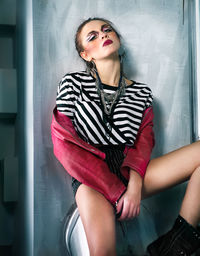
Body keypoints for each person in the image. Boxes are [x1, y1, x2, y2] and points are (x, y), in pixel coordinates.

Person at [51, 17, 200, 256]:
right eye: (93, 36)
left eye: (106, 30)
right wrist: (116, 191)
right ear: (85, 55)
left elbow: (143, 143)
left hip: (130, 170)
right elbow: (64, 145)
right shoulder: (72, 84)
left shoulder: (142, 93)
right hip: (91, 179)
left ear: (118, 39)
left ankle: (175, 245)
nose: (102, 35)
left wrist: (133, 186)